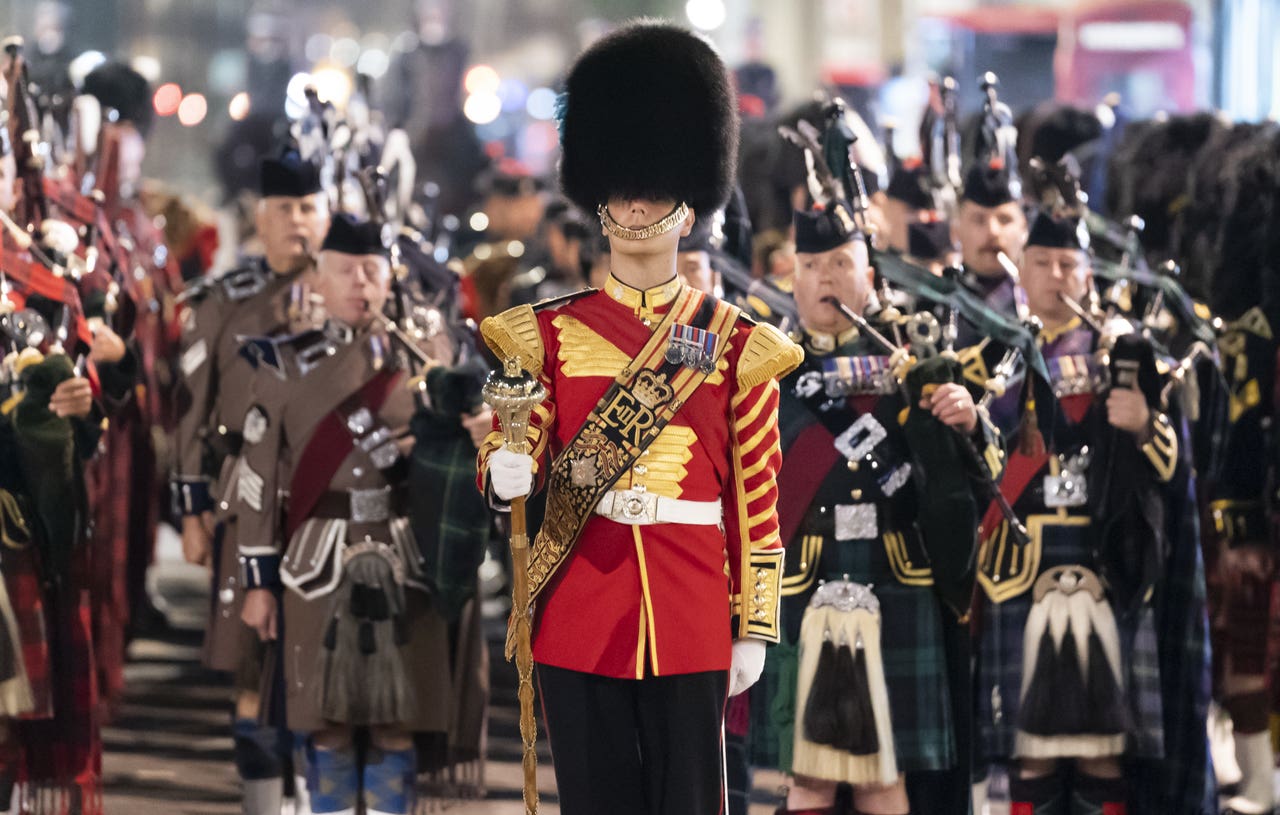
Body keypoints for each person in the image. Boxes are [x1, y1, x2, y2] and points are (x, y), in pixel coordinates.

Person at [476, 21, 802, 814]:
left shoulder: (737, 346)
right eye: (623, 184)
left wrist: (755, 622)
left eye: (655, 186)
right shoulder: (544, 333)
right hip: (582, 601)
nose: (636, 198)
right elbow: (518, 439)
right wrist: (503, 467)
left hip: (690, 603)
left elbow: (756, 501)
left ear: (689, 210)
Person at [751, 125, 1001, 815]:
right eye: (812, 266)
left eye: (840, 262)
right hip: (804, 582)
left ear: (870, 269)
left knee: (885, 776)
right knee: (808, 777)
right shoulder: (767, 368)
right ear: (790, 276)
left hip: (897, 577)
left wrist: (968, 419)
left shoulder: (918, 359)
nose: (826, 278)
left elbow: (985, 471)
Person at [236, 214, 453, 815]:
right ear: (319, 279)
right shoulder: (281, 362)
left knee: (397, 722)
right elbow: (259, 477)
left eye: (371, 270)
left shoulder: (424, 356)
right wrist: (257, 583)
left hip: (403, 552)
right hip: (314, 560)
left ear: (389, 277)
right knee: (322, 721)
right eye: (346, 271)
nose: (361, 283)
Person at [974, 201, 1181, 815]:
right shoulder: (991, 359)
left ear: (1088, 274)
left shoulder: (1125, 358)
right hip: (1018, 568)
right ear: (1021, 271)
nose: (1057, 276)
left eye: (1069, 263)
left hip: (1106, 559)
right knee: (1028, 751)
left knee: (1103, 751)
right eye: (1043, 262)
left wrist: (1144, 425)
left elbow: (1172, 471)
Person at [172, 149, 330, 814]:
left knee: (321, 667)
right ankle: (265, 803)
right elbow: (192, 410)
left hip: (329, 506)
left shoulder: (350, 295)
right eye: (285, 210)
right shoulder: (224, 301)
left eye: (308, 209)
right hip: (245, 497)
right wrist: (192, 509)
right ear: (259, 219)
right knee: (251, 667)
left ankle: (311, 796)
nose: (298, 222)